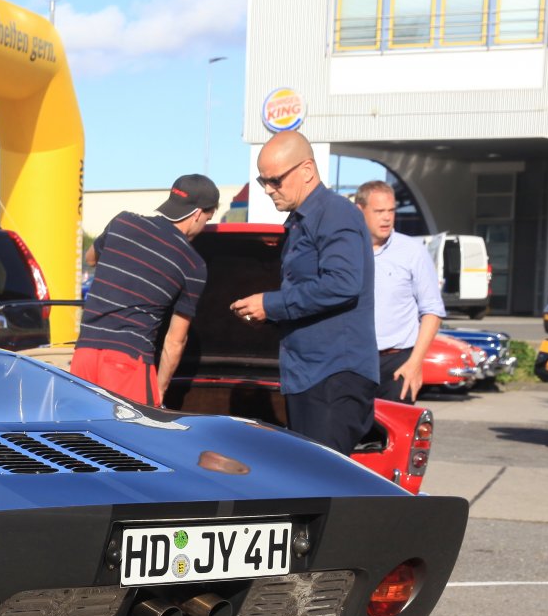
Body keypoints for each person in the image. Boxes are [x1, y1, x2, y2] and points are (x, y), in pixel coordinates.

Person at [229, 131, 378, 454]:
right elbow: (310, 294)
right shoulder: (300, 221)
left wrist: (272, 304)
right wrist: (267, 314)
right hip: (309, 374)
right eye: (262, 181)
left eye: (275, 180)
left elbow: (343, 283)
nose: (268, 189)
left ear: (307, 170)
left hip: (333, 375)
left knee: (322, 477)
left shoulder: (335, 212)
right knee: (309, 473)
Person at [69, 174, 219, 406]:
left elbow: (91, 259)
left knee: (82, 427)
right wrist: (159, 390)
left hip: (84, 355)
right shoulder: (192, 264)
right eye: (208, 220)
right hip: (128, 364)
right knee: (130, 430)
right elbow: (175, 341)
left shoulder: (122, 222)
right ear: (198, 214)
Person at [356, 179, 445, 403]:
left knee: (396, 425)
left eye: (391, 211)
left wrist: (415, 362)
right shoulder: (345, 250)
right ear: (360, 210)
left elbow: (433, 311)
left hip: (398, 365)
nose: (387, 218)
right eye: (379, 211)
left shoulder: (412, 251)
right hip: (353, 363)